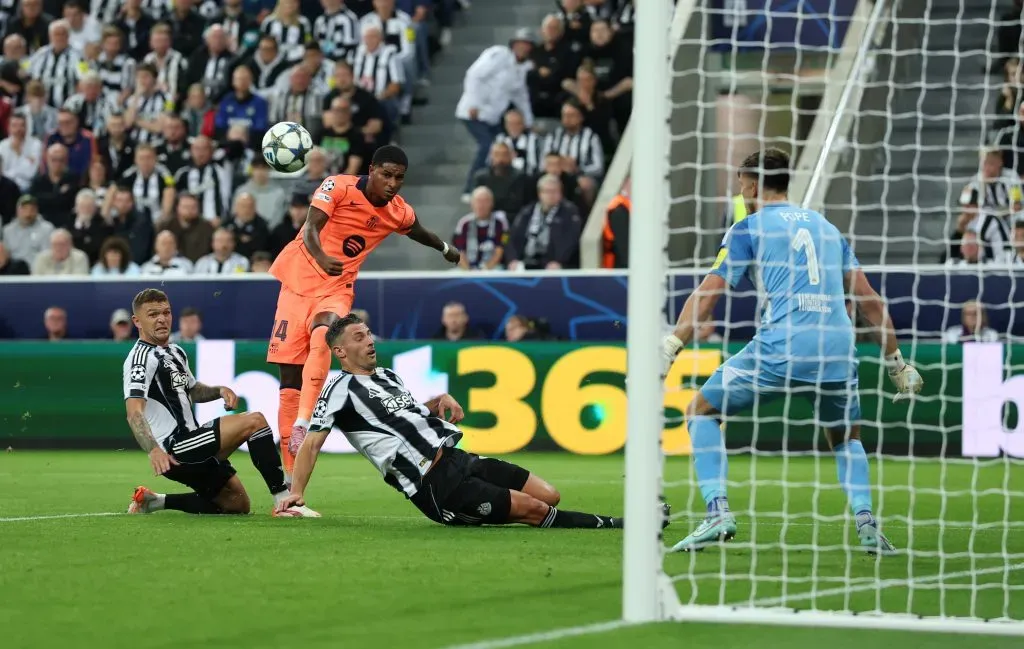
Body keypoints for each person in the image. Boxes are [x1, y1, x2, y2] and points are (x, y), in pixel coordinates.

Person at [660, 148, 923, 554]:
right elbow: (869, 300)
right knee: (846, 437)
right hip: (837, 350)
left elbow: (709, 293)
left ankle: (717, 511)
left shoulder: (748, 227)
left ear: (752, 183)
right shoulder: (828, 228)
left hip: (781, 346)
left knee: (701, 411)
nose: (740, 188)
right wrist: (896, 362)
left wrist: (673, 343)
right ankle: (867, 524)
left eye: (741, 180)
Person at [275, 314, 624, 529]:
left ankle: (483, 512)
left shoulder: (388, 375)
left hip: (459, 459)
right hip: (434, 485)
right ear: (339, 352)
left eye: (368, 333)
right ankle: (614, 525)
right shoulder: (338, 388)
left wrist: (438, 400)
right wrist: (298, 493)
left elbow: (408, 416)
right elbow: (312, 442)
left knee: (551, 495)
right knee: (535, 509)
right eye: (358, 337)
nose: (369, 341)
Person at [268, 145, 461, 478]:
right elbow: (311, 227)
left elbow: (420, 232)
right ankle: (288, 480)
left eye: (399, 178)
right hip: (297, 281)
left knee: (324, 334)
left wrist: (445, 248)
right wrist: (320, 257)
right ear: (371, 170)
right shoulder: (338, 186)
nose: (392, 183)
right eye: (386, 174)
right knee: (289, 379)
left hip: (336, 287)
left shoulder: (398, 211)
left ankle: (303, 422)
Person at [123, 288, 318, 517]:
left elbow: (192, 390)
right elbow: (134, 412)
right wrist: (154, 450)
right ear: (137, 321)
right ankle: (285, 502)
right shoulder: (140, 359)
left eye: (166, 312)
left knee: (237, 505)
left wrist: (218, 391)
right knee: (255, 422)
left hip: (193, 444)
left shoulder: (174, 351)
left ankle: (154, 502)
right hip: (175, 447)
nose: (162, 319)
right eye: (153, 314)